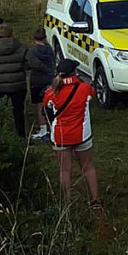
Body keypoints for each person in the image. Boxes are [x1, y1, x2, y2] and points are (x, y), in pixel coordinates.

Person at [44, 59, 101, 209]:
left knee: (64, 170)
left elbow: (47, 107)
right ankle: (95, 200)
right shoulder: (85, 88)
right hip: (82, 134)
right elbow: (93, 95)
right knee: (88, 167)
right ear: (75, 72)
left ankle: (66, 203)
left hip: (60, 135)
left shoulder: (51, 92)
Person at [0, 23, 29, 138]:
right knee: (18, 112)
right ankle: (21, 135)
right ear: (12, 33)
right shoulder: (21, 48)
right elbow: (28, 65)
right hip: (18, 85)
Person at [27, 27, 55, 142]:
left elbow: (29, 65)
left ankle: (43, 130)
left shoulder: (32, 52)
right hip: (49, 79)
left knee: (39, 106)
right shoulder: (50, 49)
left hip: (37, 80)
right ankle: (53, 127)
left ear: (33, 38)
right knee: (51, 103)